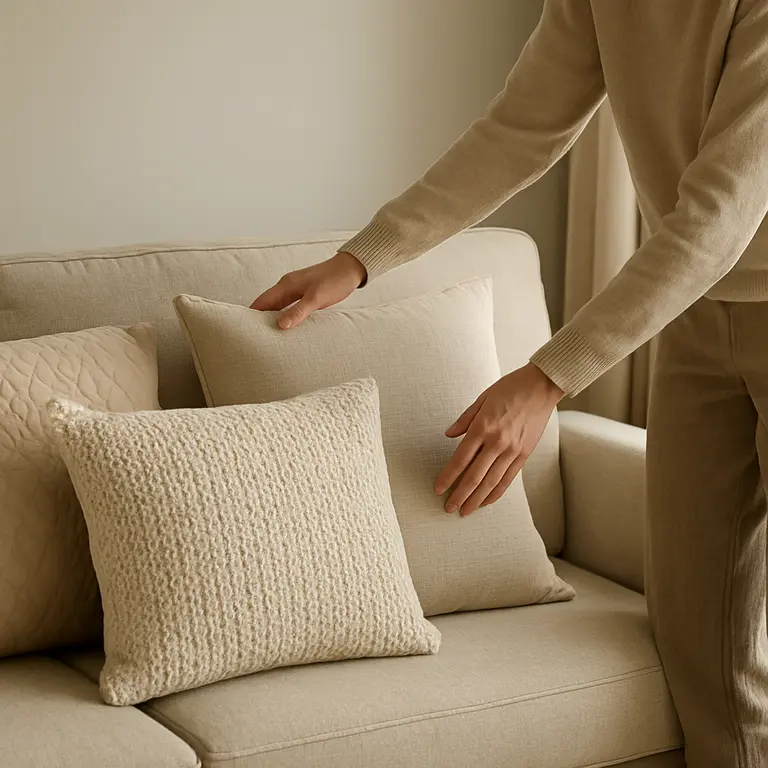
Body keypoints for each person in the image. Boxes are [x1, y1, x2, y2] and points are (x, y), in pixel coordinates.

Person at [251, 2, 768, 765]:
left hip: (710, 273)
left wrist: (548, 377)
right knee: (702, 651)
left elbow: (718, 219)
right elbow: (520, 130)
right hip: (692, 321)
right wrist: (361, 259)